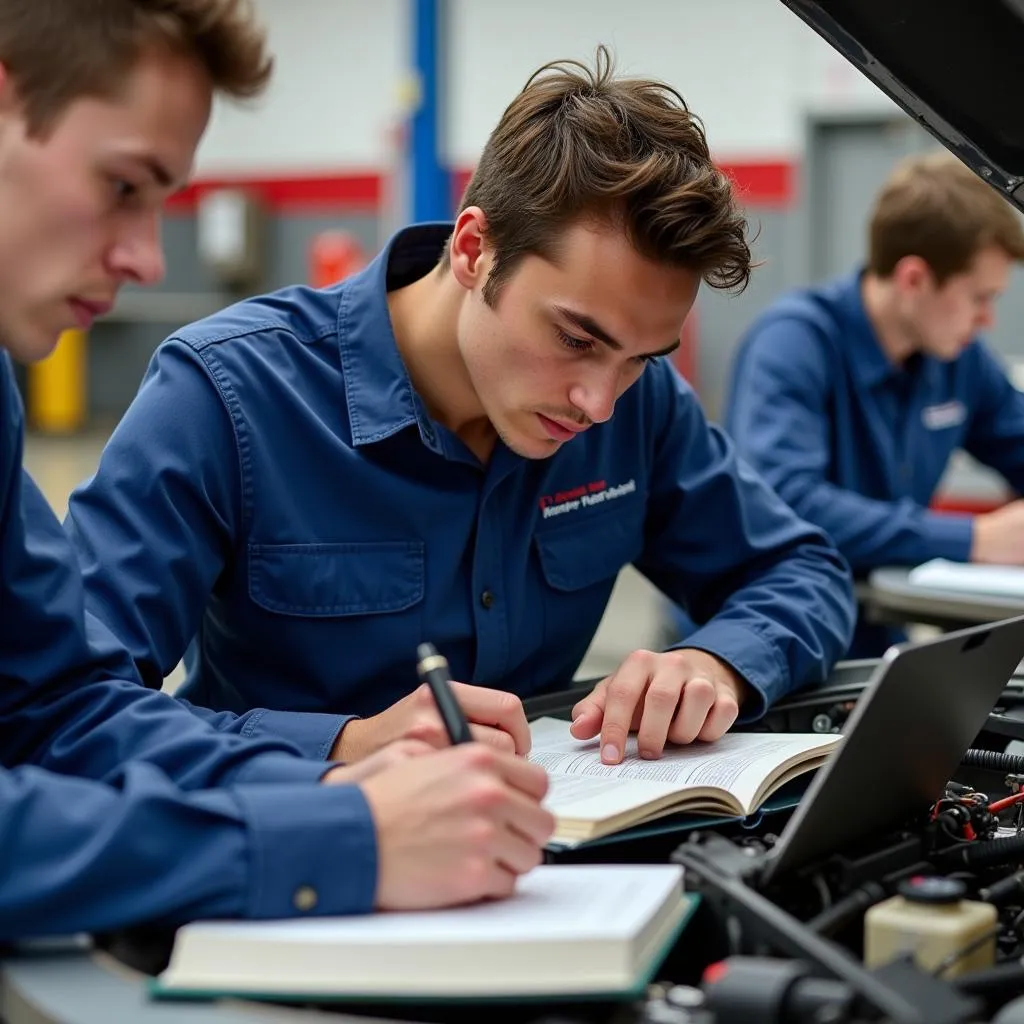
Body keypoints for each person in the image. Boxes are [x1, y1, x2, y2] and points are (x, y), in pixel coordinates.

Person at [66, 46, 855, 770]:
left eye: (640, 360)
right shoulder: (226, 395)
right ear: (475, 250)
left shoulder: (639, 403)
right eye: (578, 339)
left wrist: (713, 662)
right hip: (300, 869)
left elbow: (803, 571)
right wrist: (337, 745)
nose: (599, 406)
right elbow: (73, 708)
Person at [0, 0, 553, 940]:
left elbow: (59, 710)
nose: (142, 255)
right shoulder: (225, 382)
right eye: (124, 185)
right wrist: (334, 837)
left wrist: (334, 776)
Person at [724, 151, 1024, 658]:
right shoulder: (795, 343)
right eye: (979, 298)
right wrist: (976, 538)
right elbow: (787, 501)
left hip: (881, 633)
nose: (986, 320)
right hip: (769, 635)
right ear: (913, 280)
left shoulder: (960, 361)